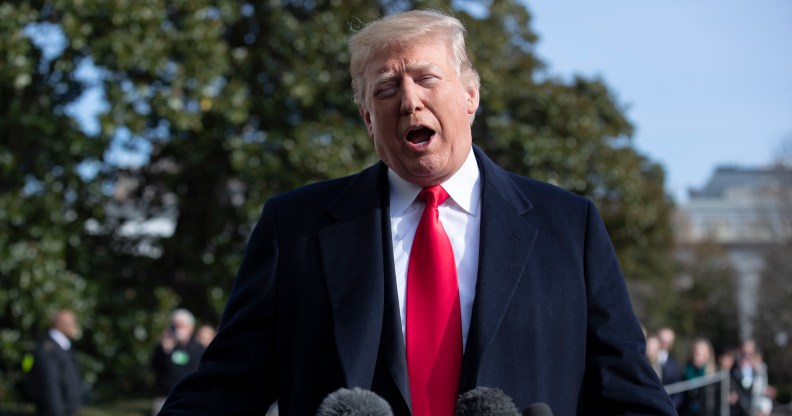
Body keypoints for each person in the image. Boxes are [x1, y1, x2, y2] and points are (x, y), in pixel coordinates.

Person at [160, 9, 676, 415]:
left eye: (427, 78)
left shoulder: (568, 225)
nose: (409, 101)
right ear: (367, 118)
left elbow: (631, 397)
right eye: (386, 88)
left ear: (471, 94)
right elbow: (224, 391)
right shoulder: (294, 229)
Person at [27, 309, 84, 416]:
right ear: (60, 324)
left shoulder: (63, 346)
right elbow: (50, 385)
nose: (75, 326)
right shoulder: (47, 349)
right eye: (71, 323)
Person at [151, 309, 205, 416]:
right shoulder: (163, 347)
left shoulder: (198, 349)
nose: (177, 329)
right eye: (174, 325)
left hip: (189, 397)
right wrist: (165, 351)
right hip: (165, 397)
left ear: (190, 327)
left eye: (181, 326)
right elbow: (155, 367)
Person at [679, 338, 717, 416]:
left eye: (702, 355)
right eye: (697, 354)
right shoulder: (684, 372)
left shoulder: (714, 375)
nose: (698, 357)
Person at [657, 326, 684, 408]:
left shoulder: (674, 365)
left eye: (667, 342)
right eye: (661, 341)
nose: (663, 345)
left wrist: (670, 408)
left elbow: (677, 391)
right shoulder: (645, 358)